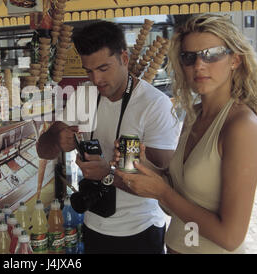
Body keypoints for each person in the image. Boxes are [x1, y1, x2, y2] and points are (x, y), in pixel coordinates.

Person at [114, 13, 257, 254]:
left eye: (212, 54)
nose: (199, 65)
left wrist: (161, 192)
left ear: (235, 60)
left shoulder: (242, 125)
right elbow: (181, 200)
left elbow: (230, 237)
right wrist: (145, 167)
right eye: (189, 57)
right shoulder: (194, 115)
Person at [37, 21, 180, 253]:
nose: (96, 80)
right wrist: (55, 137)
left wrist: (107, 174)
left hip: (140, 229)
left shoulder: (154, 105)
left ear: (124, 58)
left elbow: (163, 184)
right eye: (89, 71)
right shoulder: (84, 95)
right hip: (94, 224)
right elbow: (43, 150)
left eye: (104, 68)